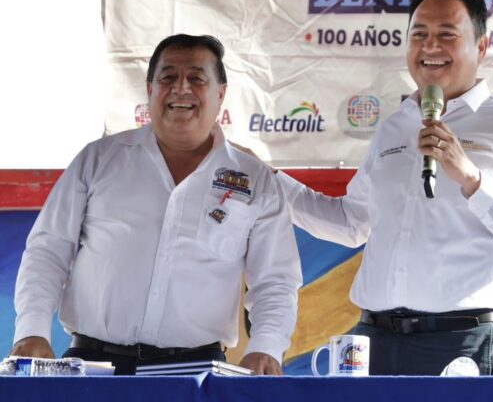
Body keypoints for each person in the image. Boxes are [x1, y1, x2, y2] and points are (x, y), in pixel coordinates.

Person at [277, 0, 493, 375]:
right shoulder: (394, 126)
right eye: (419, 35)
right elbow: (352, 222)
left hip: (463, 341)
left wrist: (472, 178)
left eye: (447, 34)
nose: (430, 47)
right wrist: (270, 183)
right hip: (375, 339)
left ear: (481, 47)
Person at [10, 34, 302, 375]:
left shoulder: (255, 180)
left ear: (221, 94)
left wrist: (266, 347)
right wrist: (31, 331)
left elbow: (276, 281)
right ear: (150, 89)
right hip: (93, 368)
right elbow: (48, 251)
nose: (181, 88)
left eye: (197, 78)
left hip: (196, 375)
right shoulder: (98, 160)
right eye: (168, 77)